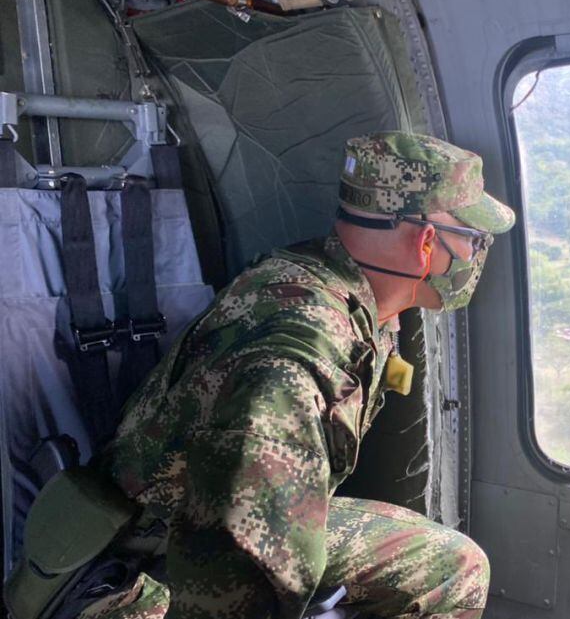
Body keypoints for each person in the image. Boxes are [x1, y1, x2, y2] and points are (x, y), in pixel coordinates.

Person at [85, 132, 516, 619]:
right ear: (426, 243)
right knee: (454, 571)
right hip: (142, 576)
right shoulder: (298, 356)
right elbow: (234, 570)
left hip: (173, 527)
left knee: (444, 562)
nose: (476, 257)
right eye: (473, 240)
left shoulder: (334, 288)